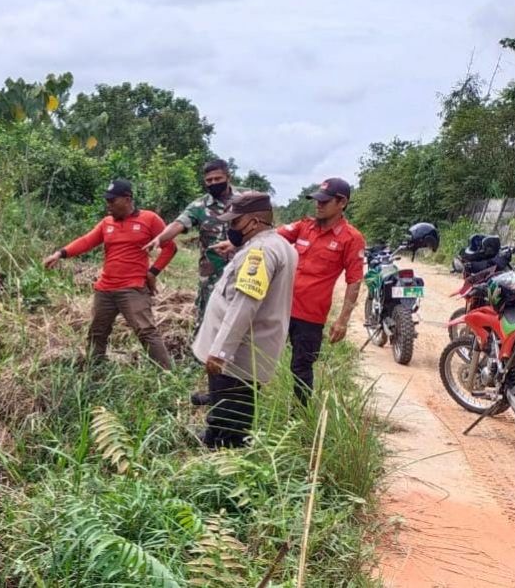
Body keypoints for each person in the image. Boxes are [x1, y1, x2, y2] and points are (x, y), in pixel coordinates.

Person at [191, 192, 297, 448]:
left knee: (231, 415)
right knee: (228, 407)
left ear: (255, 221)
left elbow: (244, 305)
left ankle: (225, 454)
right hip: (248, 347)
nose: (231, 227)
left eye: (236, 222)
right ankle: (215, 440)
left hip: (238, 352)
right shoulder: (277, 244)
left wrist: (220, 352)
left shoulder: (260, 252)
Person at [43, 179, 177, 369]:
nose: (108, 205)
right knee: (97, 332)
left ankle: (166, 373)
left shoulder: (150, 219)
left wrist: (153, 272)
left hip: (133, 288)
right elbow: (86, 241)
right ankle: (94, 369)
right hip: (105, 289)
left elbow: (170, 247)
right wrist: (60, 253)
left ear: (127, 199)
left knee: (146, 331)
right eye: (107, 201)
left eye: (112, 201)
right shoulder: (107, 223)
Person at [277, 178, 365, 404]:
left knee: (301, 366)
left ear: (342, 203)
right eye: (317, 200)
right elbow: (272, 237)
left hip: (310, 316)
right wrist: (237, 242)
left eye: (324, 202)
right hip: (280, 307)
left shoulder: (351, 238)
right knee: (258, 354)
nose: (318, 205)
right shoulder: (304, 227)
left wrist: (342, 321)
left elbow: (354, 281)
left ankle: (299, 416)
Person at [143, 159, 236, 327]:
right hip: (212, 274)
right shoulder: (199, 206)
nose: (213, 183)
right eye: (209, 180)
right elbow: (179, 223)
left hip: (242, 271)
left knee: (239, 319)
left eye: (218, 179)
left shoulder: (246, 200)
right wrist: (160, 238)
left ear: (228, 177)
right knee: (207, 320)